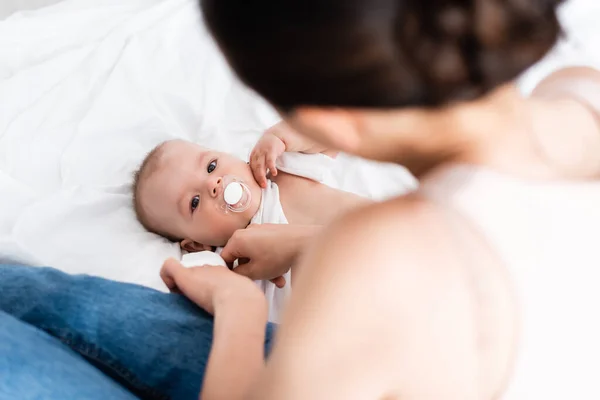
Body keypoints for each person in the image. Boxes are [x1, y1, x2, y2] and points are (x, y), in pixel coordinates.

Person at [2, 0, 600, 399]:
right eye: (193, 202)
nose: (215, 184)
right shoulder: (577, 97)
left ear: (325, 121)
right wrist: (302, 243)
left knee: (49, 318)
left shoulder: (380, 254)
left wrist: (238, 307)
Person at [133, 122, 369, 321]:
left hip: (389, 246)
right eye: (194, 202)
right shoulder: (228, 263)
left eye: (211, 166)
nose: (212, 184)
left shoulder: (282, 171)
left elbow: (330, 134)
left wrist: (281, 137)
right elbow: (205, 287)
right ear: (195, 244)